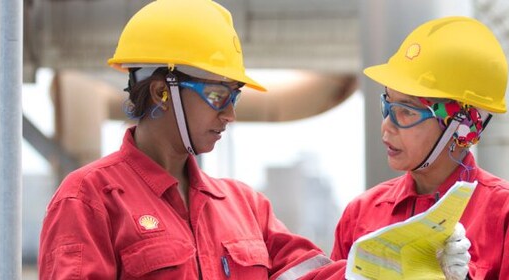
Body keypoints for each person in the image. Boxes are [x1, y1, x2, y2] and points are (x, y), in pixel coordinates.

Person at [37, 0, 353, 278]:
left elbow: (316, 276)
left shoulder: (246, 207)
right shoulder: (89, 200)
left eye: (234, 97)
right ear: (162, 92)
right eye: (217, 95)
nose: (230, 114)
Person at [331, 16, 509, 279]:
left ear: (461, 126)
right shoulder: (361, 214)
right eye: (387, 105)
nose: (386, 126)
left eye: (406, 112)